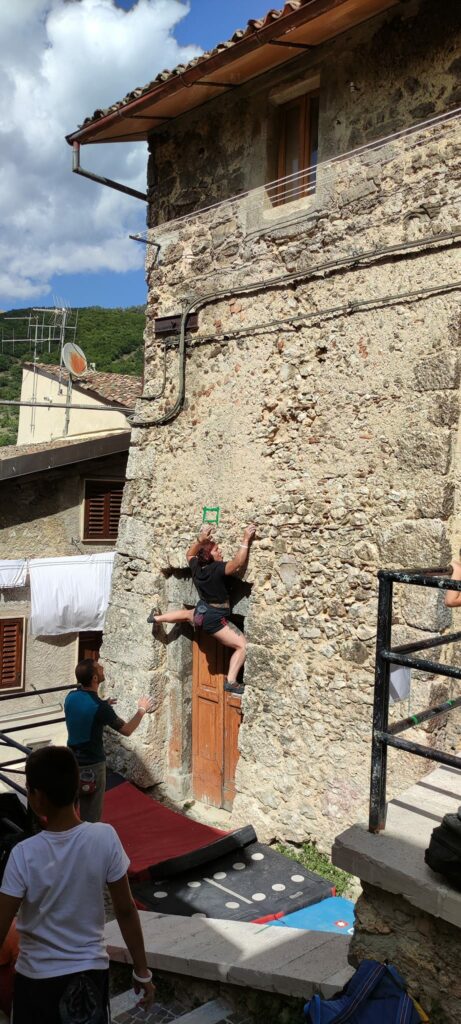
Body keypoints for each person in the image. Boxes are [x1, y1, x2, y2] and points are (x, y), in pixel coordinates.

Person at [0, 746, 155, 1024]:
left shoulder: (24, 854)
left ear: (36, 798)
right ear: (76, 789)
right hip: (89, 977)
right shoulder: (104, 838)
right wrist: (142, 971)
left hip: (35, 983)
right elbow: (126, 910)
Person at [150, 524, 256, 695]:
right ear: (209, 556)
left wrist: (201, 539)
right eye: (217, 550)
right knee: (242, 646)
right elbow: (238, 562)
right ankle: (231, 681)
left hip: (202, 610)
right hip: (214, 618)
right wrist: (245, 540)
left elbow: (190, 553)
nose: (220, 552)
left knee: (186, 614)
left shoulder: (197, 568)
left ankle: (156, 618)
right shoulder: (217, 569)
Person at [65, 659, 155, 823]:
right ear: (94, 678)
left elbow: (84, 711)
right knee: (91, 816)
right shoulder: (100, 708)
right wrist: (142, 709)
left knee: (69, 810)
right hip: (92, 765)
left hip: (71, 763)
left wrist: (103, 704)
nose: (103, 668)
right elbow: (126, 730)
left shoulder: (71, 697)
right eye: (99, 668)